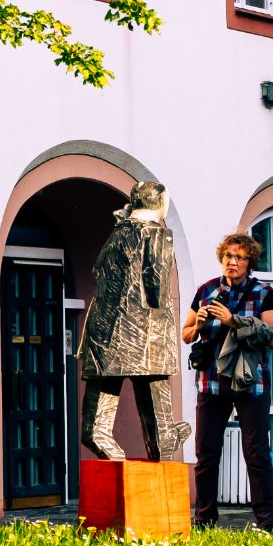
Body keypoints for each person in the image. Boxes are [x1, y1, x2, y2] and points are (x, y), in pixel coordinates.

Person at [77, 181, 190, 460]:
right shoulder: (157, 233)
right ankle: (163, 438)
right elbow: (158, 286)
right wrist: (164, 332)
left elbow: (98, 272)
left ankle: (99, 435)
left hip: (104, 324)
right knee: (154, 383)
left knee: (105, 383)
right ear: (160, 203)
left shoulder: (118, 232)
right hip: (143, 328)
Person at [184, 232, 273, 529]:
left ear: (249, 261)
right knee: (206, 453)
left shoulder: (263, 292)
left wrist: (232, 321)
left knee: (256, 453)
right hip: (211, 381)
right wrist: (199, 323)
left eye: (239, 257)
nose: (233, 262)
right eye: (228, 256)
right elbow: (186, 334)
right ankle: (204, 520)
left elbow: (272, 337)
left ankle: (266, 524)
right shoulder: (206, 290)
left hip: (250, 382)